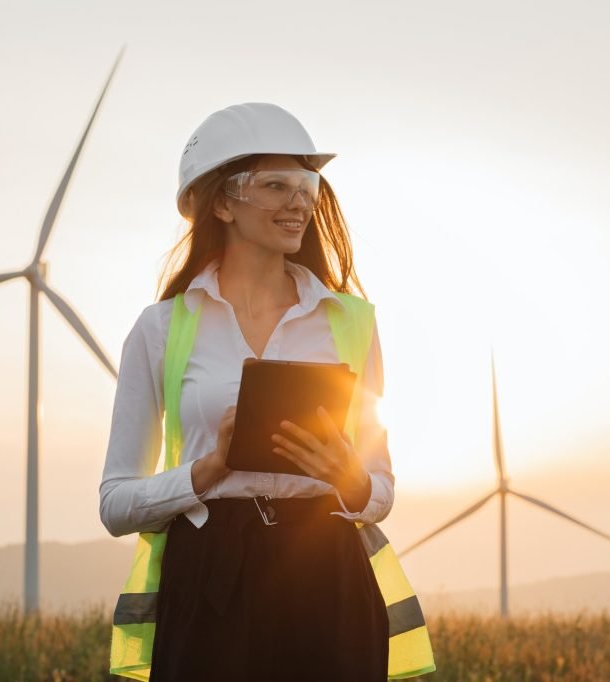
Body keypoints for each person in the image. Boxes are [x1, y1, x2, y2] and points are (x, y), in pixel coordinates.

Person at [99, 103, 434, 681]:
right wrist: (209, 468)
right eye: (275, 185)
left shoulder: (351, 323)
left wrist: (347, 475)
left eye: (306, 185)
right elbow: (115, 503)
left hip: (328, 577)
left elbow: (380, 489)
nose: (299, 202)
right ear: (223, 203)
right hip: (210, 580)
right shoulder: (159, 330)